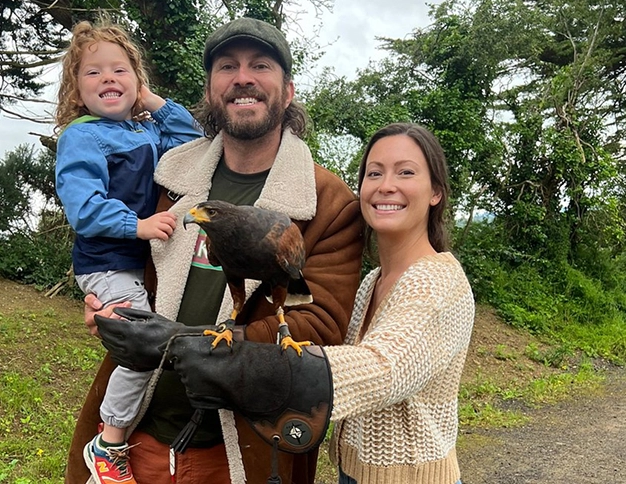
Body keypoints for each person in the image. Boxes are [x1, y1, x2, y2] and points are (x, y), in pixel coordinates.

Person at [64, 17, 365, 484]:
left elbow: (320, 327)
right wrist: (106, 302)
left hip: (241, 448)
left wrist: (185, 345)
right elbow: (124, 255)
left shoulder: (328, 204)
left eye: (260, 65)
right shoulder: (166, 175)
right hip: (136, 439)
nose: (242, 77)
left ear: (287, 91)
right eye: (227, 66)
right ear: (210, 91)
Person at [96, 122, 475, 484]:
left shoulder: (435, 281)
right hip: (357, 473)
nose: (386, 186)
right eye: (374, 174)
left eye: (406, 173)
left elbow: (384, 371)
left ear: (436, 191)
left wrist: (201, 352)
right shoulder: (374, 281)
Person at [54, 18, 203, 484]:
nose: (108, 79)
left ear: (137, 81)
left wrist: (153, 102)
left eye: (120, 70)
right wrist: (137, 226)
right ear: (76, 89)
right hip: (106, 265)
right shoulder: (81, 135)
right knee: (142, 347)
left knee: (152, 343)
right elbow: (83, 208)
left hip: (139, 264)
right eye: (93, 72)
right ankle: (109, 443)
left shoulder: (146, 132)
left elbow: (193, 142)